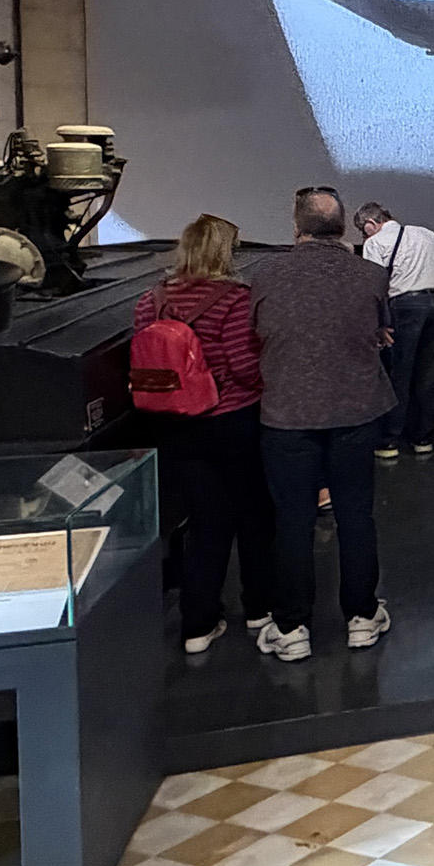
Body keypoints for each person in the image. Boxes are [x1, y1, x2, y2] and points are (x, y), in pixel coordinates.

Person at [242, 186, 394, 658]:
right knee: (356, 515)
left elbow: (256, 334)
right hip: (354, 413)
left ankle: (292, 628)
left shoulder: (264, 275)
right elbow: (379, 330)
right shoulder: (371, 275)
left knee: (292, 521)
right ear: (344, 226)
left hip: (286, 415)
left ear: (296, 228)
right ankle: (362, 617)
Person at [132, 213, 280, 655]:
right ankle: (259, 609)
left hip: (175, 426)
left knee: (204, 524)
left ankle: (198, 624)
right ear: (225, 252)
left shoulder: (151, 300)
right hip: (232, 421)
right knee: (254, 517)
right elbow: (245, 368)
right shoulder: (235, 300)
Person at [356, 201, 434, 461]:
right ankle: (423, 438)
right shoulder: (424, 233)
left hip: (403, 307)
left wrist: (378, 323)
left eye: (362, 231)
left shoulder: (374, 243)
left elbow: (373, 285)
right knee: (428, 374)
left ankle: (390, 440)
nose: (364, 237)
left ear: (370, 224)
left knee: (398, 375)